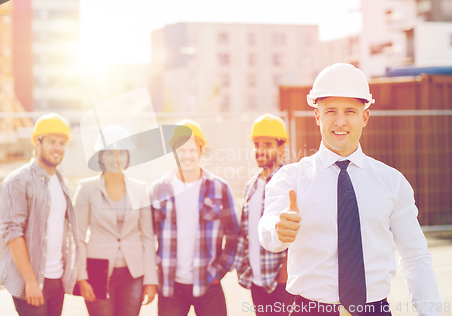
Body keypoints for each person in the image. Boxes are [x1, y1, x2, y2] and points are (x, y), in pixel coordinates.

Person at [259, 63, 442, 316]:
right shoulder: (291, 178)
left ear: (364, 117)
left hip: (374, 310)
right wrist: (279, 230)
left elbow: (415, 256)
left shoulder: (392, 182)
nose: (340, 121)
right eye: (331, 111)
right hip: (309, 310)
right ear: (317, 116)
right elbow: (268, 233)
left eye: (350, 111)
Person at [150, 119, 240, 316]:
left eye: (192, 149)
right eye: (181, 150)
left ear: (201, 150)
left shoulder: (219, 188)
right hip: (170, 287)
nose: (187, 155)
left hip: (209, 284)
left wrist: (219, 272)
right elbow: (148, 237)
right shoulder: (158, 189)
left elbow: (235, 235)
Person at [0, 113, 79, 316]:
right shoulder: (17, 181)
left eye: (62, 143)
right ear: (37, 142)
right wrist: (31, 282)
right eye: (52, 142)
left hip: (56, 278)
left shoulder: (60, 182)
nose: (58, 148)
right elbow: (12, 232)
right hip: (32, 281)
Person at [73, 125, 157, 316]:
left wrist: (151, 280)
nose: (116, 158)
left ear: (128, 156)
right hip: (97, 271)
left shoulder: (139, 189)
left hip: (133, 273)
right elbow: (77, 235)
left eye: (121, 152)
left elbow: (147, 237)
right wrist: (81, 277)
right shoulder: (86, 189)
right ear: (100, 157)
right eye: (110, 153)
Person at [234, 114, 295, 315]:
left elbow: (299, 229)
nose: (260, 150)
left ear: (281, 146)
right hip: (257, 280)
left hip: (281, 282)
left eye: (267, 144)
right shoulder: (251, 186)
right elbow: (246, 233)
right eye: (257, 145)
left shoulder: (290, 181)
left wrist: (286, 272)